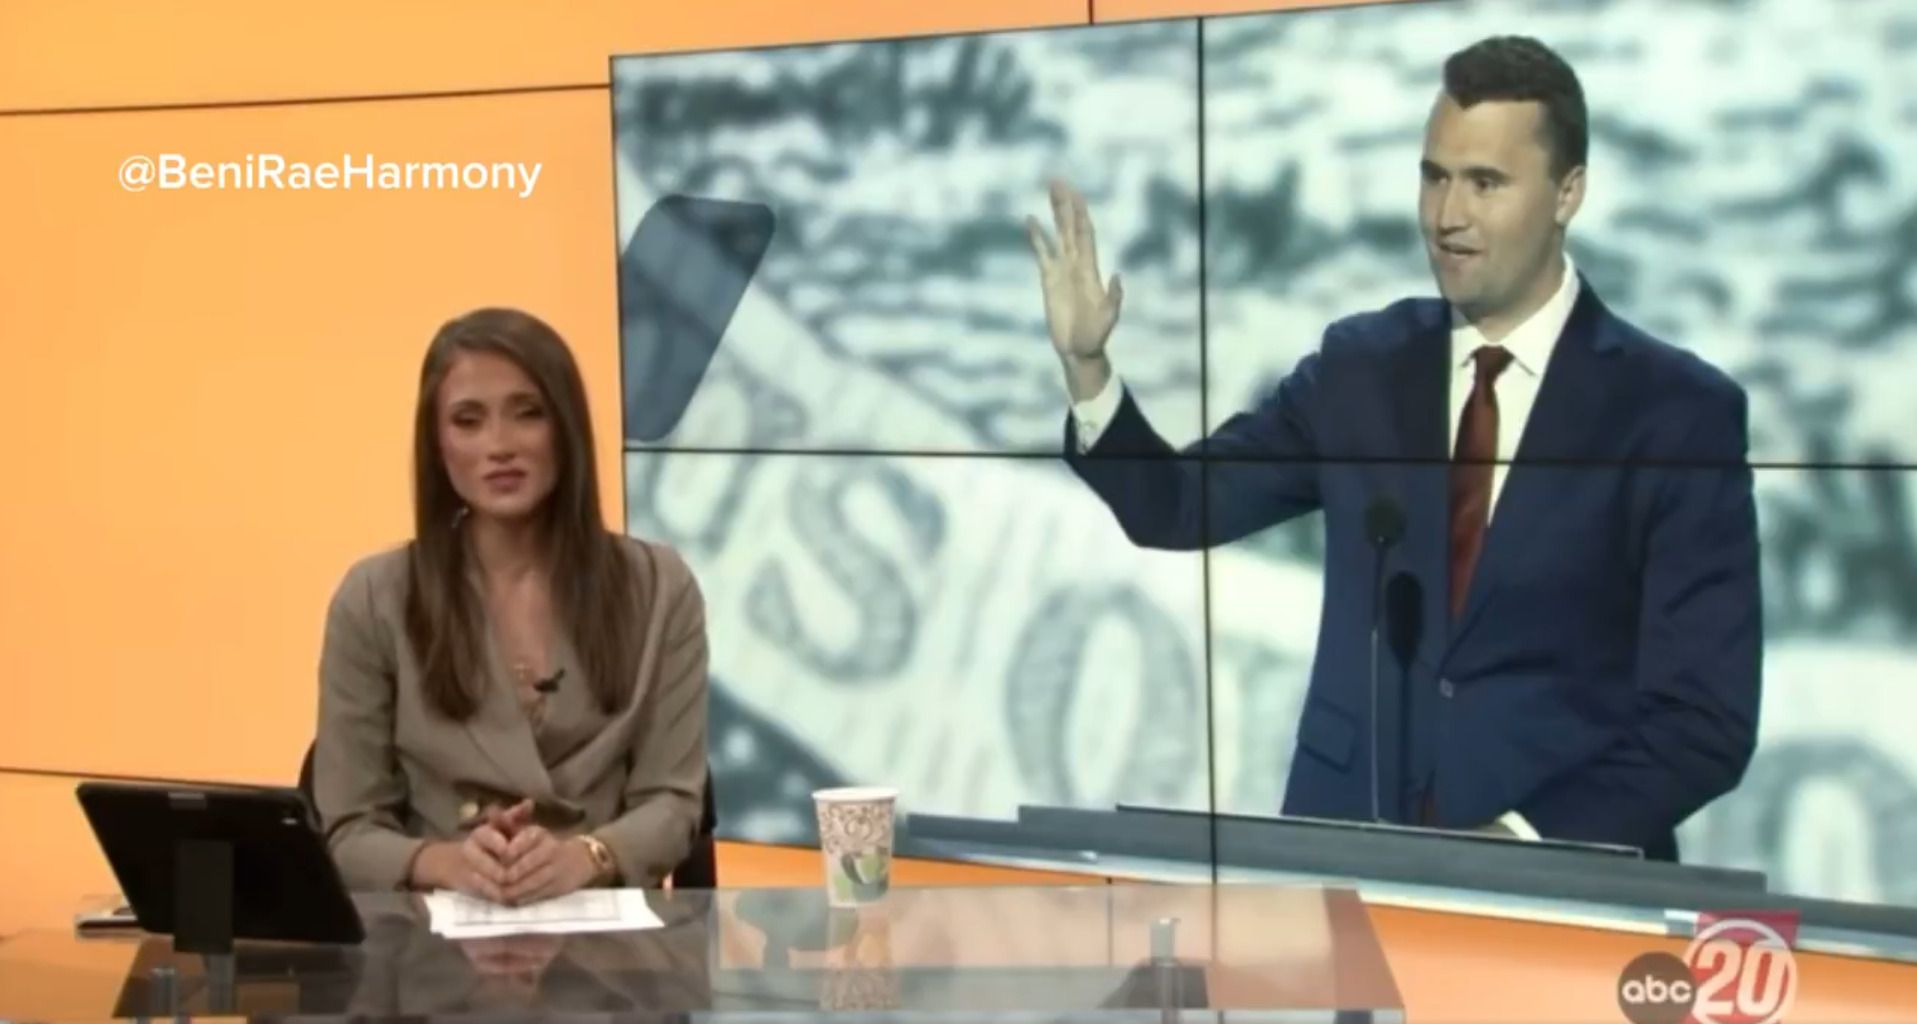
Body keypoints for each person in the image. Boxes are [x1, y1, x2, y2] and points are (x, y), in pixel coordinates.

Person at [1027, 36, 1761, 861]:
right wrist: (1087, 369)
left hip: (1560, 887)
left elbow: (1703, 723)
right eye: (1433, 177)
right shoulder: (1362, 369)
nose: (1447, 216)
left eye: (1484, 182)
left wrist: (1523, 845)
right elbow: (1177, 506)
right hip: (1347, 856)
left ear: (1567, 193)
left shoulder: (1673, 414)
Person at [313, 306, 709, 901]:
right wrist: (446, 863)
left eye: (528, 413)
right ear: (437, 445)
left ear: (566, 428)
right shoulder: (374, 598)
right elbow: (348, 830)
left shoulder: (659, 588)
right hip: (434, 935)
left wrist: (588, 856)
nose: (499, 445)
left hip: (605, 931)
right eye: (468, 421)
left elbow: (674, 803)